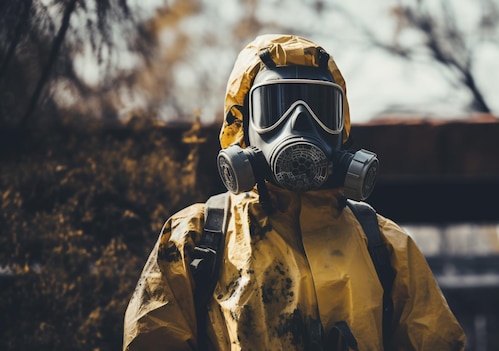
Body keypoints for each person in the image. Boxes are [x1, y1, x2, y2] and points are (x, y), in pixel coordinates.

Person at [123, 34, 466, 351]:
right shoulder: (194, 239)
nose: (299, 123)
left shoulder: (386, 246)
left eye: (320, 109)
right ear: (243, 125)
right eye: (275, 108)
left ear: (341, 127)